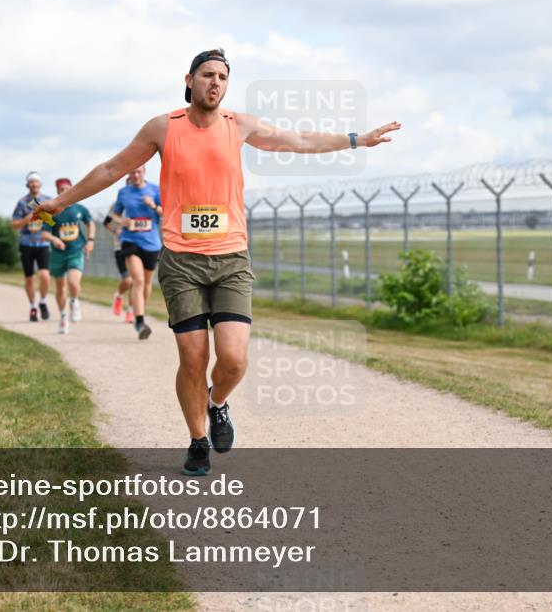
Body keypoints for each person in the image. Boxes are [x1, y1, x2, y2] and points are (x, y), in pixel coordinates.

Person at [34, 48, 399, 474]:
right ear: (188, 81)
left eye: (223, 77)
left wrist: (356, 139)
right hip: (182, 261)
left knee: (233, 359)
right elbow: (112, 167)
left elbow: (298, 141)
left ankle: (217, 403)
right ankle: (197, 441)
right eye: (207, 75)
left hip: (230, 258)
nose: (215, 83)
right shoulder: (162, 128)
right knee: (192, 358)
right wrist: (59, 202)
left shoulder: (238, 126)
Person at [110, 165, 162, 340]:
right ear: (128, 174)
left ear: (144, 172)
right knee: (137, 280)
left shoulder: (155, 189)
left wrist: (153, 206)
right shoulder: (123, 192)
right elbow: (114, 215)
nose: (135, 174)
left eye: (139, 171)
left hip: (152, 243)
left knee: (147, 283)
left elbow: (167, 211)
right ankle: (140, 323)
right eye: (132, 171)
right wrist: (122, 221)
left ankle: (138, 310)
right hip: (130, 241)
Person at [41, 178, 95, 334]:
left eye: (67, 189)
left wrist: (90, 240)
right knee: (60, 287)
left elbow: (90, 223)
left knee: (73, 283)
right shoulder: (51, 212)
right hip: (58, 254)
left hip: (76, 251)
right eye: (61, 189)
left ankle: (74, 301)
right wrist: (54, 239)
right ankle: (63, 317)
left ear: (72, 189)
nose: (64, 191)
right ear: (57, 192)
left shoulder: (79, 209)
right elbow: (44, 232)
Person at [11, 172, 52, 322]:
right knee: (29, 279)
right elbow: (13, 225)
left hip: (43, 243)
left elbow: (53, 221)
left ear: (40, 184)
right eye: (31, 182)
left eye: (36, 182)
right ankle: (33, 307)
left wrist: (44, 217)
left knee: (45, 276)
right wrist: (26, 220)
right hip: (27, 244)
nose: (34, 184)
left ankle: (43, 301)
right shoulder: (22, 203)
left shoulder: (47, 200)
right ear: (27, 185)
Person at [104, 181, 135, 323]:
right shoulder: (116, 205)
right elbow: (106, 222)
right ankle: (119, 296)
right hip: (120, 247)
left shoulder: (142, 202)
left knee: (136, 281)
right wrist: (115, 230)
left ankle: (131, 311)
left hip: (137, 245)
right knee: (127, 280)